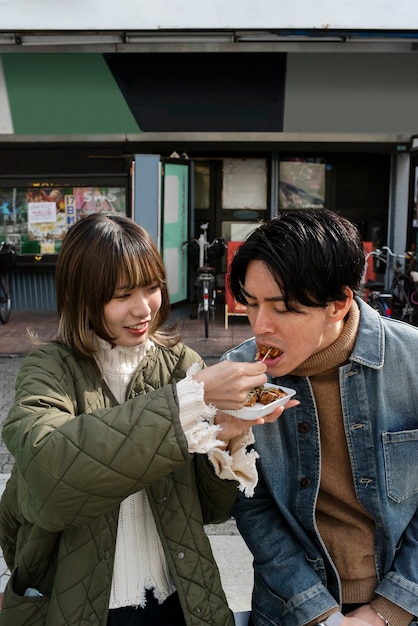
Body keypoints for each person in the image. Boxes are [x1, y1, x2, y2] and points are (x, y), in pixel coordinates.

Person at [0, 213, 291, 626]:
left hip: (179, 599)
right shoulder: (50, 369)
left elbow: (209, 510)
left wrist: (225, 439)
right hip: (77, 604)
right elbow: (50, 474)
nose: (144, 308)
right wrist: (190, 401)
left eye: (152, 287)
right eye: (122, 295)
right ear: (82, 296)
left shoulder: (180, 365)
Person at [222, 209, 418, 626]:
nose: (260, 326)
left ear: (338, 303)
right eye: (252, 304)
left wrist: (391, 608)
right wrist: (319, 612)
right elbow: (253, 508)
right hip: (289, 610)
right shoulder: (238, 376)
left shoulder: (413, 361)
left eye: (281, 308)